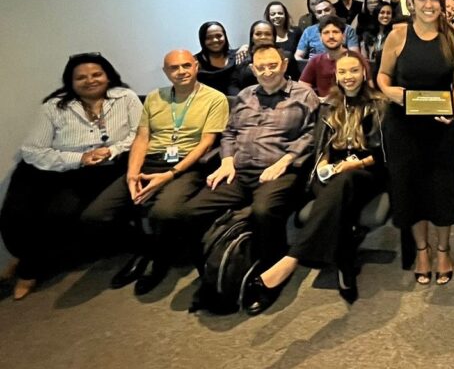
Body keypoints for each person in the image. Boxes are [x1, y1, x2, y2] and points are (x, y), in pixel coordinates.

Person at [177, 44, 320, 313]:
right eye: (261, 67)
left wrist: (285, 161)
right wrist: (227, 160)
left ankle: (269, 276)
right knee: (190, 211)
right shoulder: (244, 96)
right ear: (253, 69)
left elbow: (311, 136)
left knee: (264, 211)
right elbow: (229, 132)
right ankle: (210, 275)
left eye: (272, 65)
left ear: (284, 65)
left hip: (280, 171)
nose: (267, 72)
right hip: (239, 171)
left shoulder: (304, 94)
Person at [246, 50, 388, 308]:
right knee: (336, 195)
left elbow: (384, 153)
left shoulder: (379, 105)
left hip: (365, 171)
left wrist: (355, 163)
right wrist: (324, 164)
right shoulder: (327, 105)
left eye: (354, 71)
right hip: (331, 172)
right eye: (342, 72)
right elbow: (320, 147)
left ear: (364, 72)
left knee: (345, 182)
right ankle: (344, 263)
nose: (348, 77)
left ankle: (292, 259)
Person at [81, 50, 228, 295]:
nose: (181, 71)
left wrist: (169, 175)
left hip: (187, 166)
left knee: (165, 211)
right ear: (165, 72)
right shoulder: (154, 97)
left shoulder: (215, 98)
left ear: (196, 67)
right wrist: (132, 173)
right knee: (95, 215)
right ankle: (145, 248)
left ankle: (158, 260)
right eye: (174, 68)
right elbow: (142, 137)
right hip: (149, 162)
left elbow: (207, 142)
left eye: (186, 66)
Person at [1, 53, 142, 300]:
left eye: (96, 74)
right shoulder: (54, 106)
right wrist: (80, 158)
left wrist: (113, 149)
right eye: (81, 77)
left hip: (101, 170)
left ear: (108, 76)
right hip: (51, 168)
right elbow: (33, 150)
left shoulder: (125, 98)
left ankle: (28, 269)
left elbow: (140, 133)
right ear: (71, 81)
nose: (90, 80)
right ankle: (24, 259)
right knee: (17, 215)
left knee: (59, 213)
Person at [377, 0, 454, 287]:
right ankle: (422, 251)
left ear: (442, 2)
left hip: (440, 125)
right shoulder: (397, 36)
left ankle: (443, 250)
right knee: (411, 190)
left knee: (442, 190)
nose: (429, 5)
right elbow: (382, 77)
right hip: (403, 126)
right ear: (411, 2)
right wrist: (390, 93)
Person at [234, 20, 301, 90]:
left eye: (268, 34)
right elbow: (236, 84)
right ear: (252, 37)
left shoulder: (287, 56)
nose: (263, 37)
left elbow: (296, 81)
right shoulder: (242, 57)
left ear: (274, 37)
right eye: (258, 34)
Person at [300, 16, 355, 97]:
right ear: (320, 37)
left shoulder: (356, 59)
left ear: (343, 37)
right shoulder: (316, 60)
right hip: (323, 105)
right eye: (326, 33)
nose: (331, 36)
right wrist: (316, 100)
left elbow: (368, 89)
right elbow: (302, 86)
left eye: (335, 32)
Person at [195, 21, 237, 95]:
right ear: (202, 40)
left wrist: (245, 47)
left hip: (237, 104)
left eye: (219, 36)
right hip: (210, 104)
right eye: (208, 37)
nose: (215, 40)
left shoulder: (238, 56)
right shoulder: (195, 62)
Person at [361, 2, 394, 78]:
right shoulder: (367, 34)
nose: (385, 16)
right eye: (382, 13)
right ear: (376, 15)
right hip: (370, 73)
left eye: (388, 13)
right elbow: (364, 59)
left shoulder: (394, 34)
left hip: (389, 74)